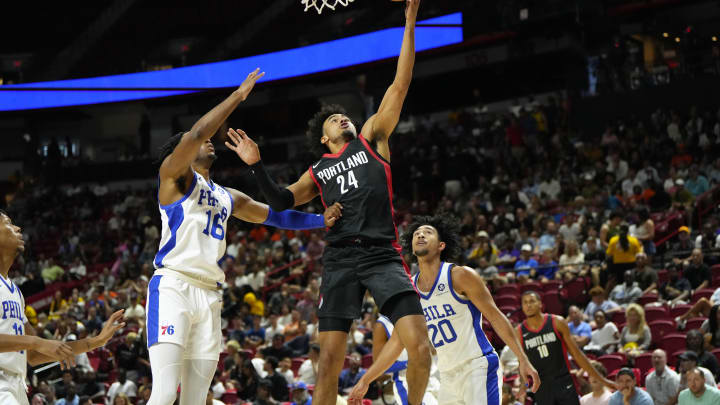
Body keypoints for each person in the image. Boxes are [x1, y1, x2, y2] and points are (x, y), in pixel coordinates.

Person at [227, 3, 434, 404]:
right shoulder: (318, 170)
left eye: (344, 116)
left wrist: (409, 22)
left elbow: (400, 83)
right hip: (340, 259)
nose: (342, 118)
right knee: (328, 365)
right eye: (333, 119)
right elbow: (282, 200)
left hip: (382, 255)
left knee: (419, 345)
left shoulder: (371, 138)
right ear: (323, 139)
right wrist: (256, 167)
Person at [147, 70, 341, 405]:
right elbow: (196, 132)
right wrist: (238, 95)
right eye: (196, 142)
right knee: (164, 394)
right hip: (173, 287)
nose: (208, 141)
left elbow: (276, 215)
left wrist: (319, 222)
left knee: (195, 400)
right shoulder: (174, 177)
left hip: (209, 295)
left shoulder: (228, 196)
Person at [347, 215, 540, 404]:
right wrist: (366, 380)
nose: (420, 235)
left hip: (477, 366)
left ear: (441, 245)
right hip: (446, 376)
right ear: (412, 248)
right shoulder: (410, 291)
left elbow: (495, 317)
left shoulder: (460, 276)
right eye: (416, 234)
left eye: (427, 232)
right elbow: (397, 342)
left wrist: (522, 359)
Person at [0, 210, 126, 405]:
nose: (17, 228)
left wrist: (97, 341)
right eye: (8, 223)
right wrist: (35, 341)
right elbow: (35, 345)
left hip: (16, 384)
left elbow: (34, 355)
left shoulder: (15, 291)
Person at [520, 291, 615, 405]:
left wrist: (602, 380)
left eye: (531, 301)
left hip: (564, 383)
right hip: (542, 388)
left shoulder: (557, 322)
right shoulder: (519, 331)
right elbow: (522, 364)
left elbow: (577, 355)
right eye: (525, 302)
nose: (528, 305)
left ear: (540, 304)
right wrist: (524, 386)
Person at [374, 314, 439, 405]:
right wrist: (410, 362)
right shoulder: (383, 324)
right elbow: (378, 367)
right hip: (406, 383)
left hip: (433, 378)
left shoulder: (419, 311)